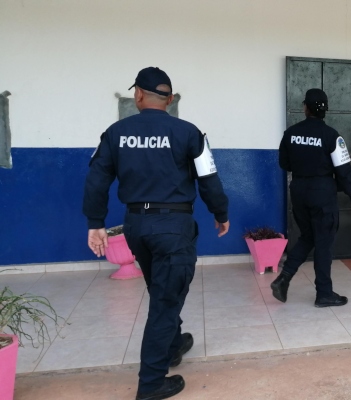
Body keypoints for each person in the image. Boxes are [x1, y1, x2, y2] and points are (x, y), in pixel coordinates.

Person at [82, 67, 230, 400]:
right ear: (171, 99)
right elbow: (209, 180)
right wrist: (221, 214)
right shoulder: (190, 133)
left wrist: (96, 223)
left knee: (162, 288)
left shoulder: (115, 133)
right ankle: (151, 384)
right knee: (165, 300)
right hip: (174, 228)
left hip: (137, 226)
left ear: (138, 95)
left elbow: (96, 180)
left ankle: (174, 344)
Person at [271, 88, 351, 307]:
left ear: (306, 108)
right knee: (323, 243)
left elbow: (284, 164)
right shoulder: (332, 136)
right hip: (322, 192)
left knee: (309, 236)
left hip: (299, 190)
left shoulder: (291, 133)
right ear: (325, 110)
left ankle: (284, 278)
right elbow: (344, 171)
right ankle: (324, 293)